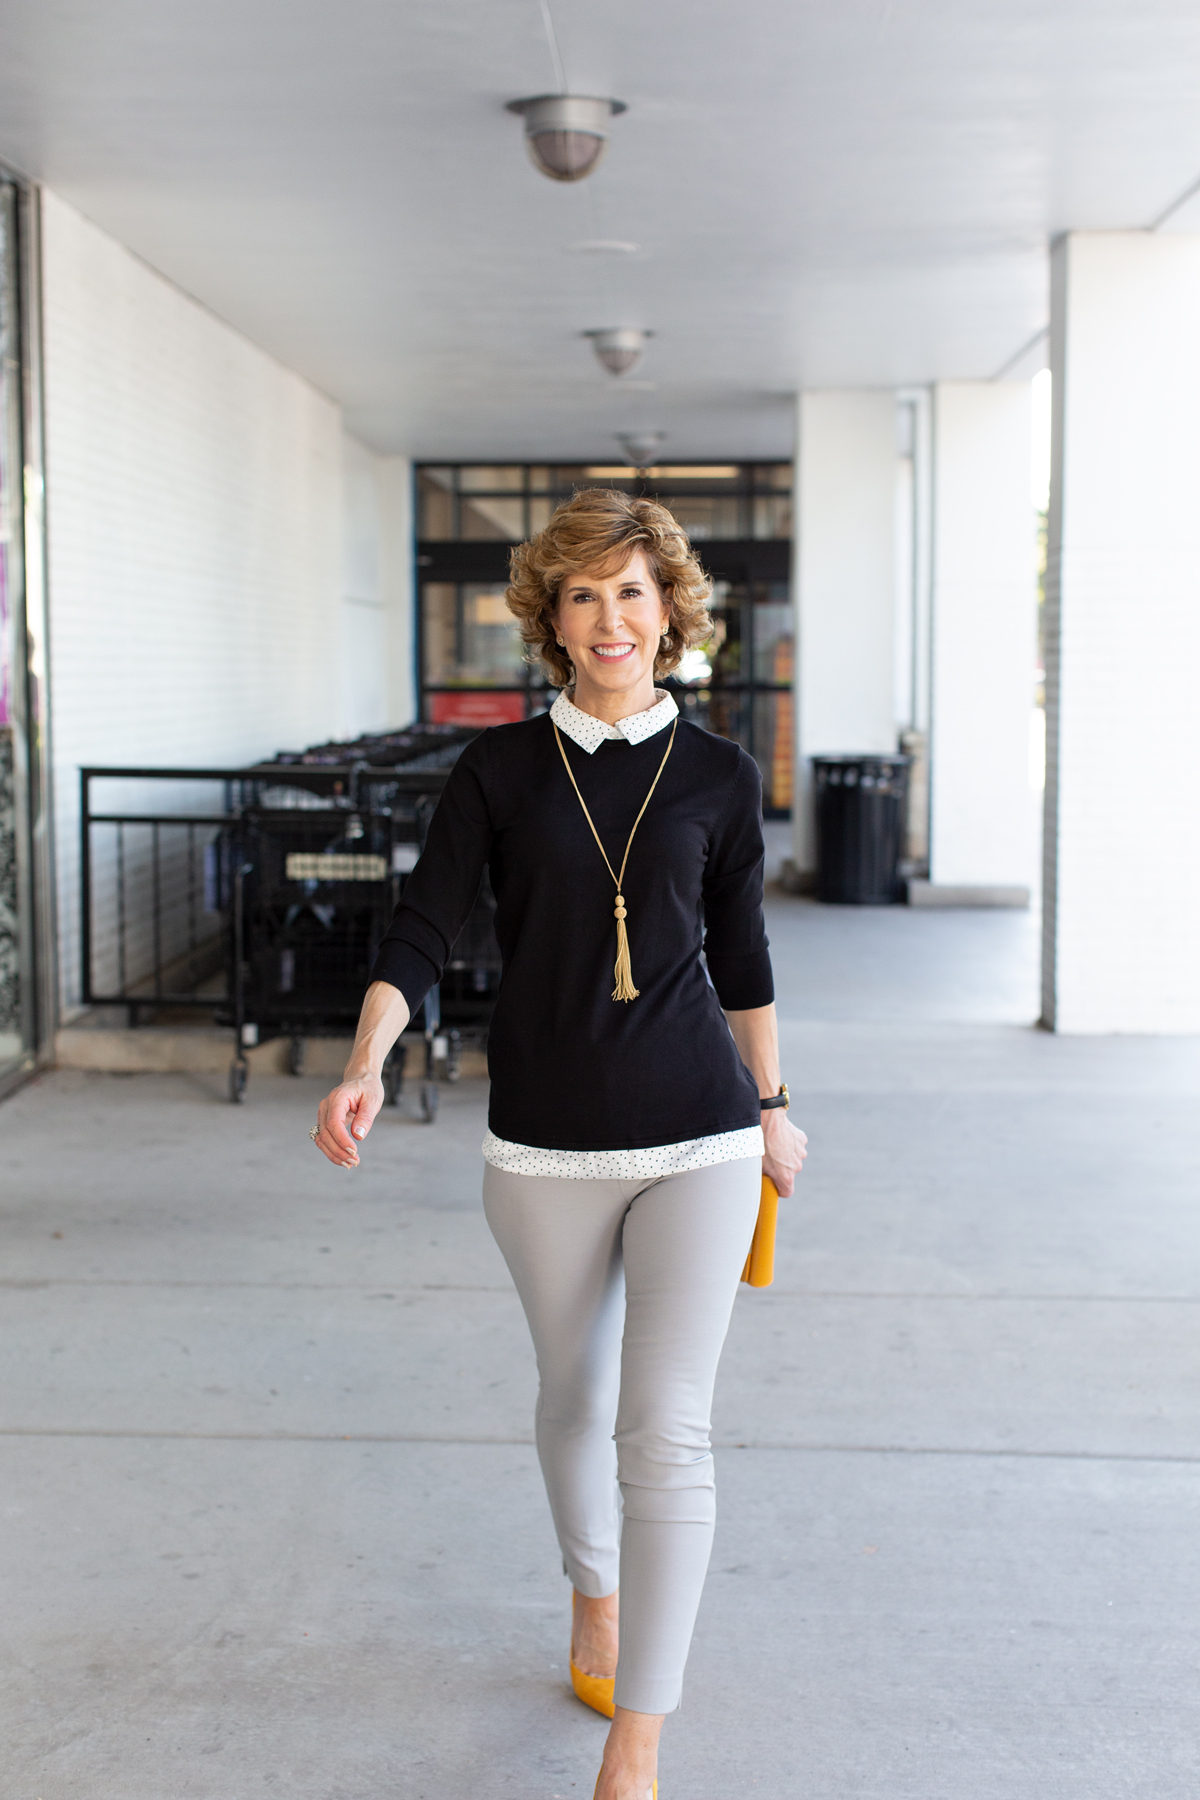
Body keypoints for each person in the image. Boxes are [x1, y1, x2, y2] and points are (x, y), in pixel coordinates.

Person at [312, 489, 807, 1800]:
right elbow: (420, 930)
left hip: (697, 1129)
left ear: (670, 615)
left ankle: (636, 1747)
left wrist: (770, 1107)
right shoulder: (500, 773)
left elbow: (745, 960)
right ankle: (594, 1590)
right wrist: (369, 1061)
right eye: (583, 593)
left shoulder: (715, 773)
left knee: (668, 1429)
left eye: (633, 592)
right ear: (550, 615)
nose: (610, 617)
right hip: (540, 1143)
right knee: (574, 1400)